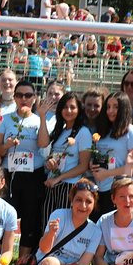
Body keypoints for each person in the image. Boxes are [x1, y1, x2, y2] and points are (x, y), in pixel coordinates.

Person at [0, 80, 45, 257]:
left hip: (33, 175)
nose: (24, 99)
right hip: (10, 175)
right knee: (5, 217)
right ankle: (2, 259)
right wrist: (7, 144)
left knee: (30, 220)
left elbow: (44, 146)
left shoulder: (40, 121)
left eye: (28, 95)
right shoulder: (5, 120)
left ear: (34, 98)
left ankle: (22, 263)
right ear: (14, 98)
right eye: (20, 95)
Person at [39, 91, 93, 221]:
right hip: (52, 184)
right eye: (65, 107)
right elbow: (42, 143)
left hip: (69, 187)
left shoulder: (83, 132)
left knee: (63, 226)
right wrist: (42, 116)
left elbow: (83, 166)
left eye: (72, 107)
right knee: (48, 225)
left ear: (79, 110)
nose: (68, 110)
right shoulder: (61, 130)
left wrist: (60, 178)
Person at [90, 91, 133, 216]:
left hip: (119, 191)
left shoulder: (130, 132)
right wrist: (92, 164)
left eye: (115, 107)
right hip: (100, 190)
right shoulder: (102, 130)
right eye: (108, 107)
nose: (111, 111)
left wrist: (107, 174)